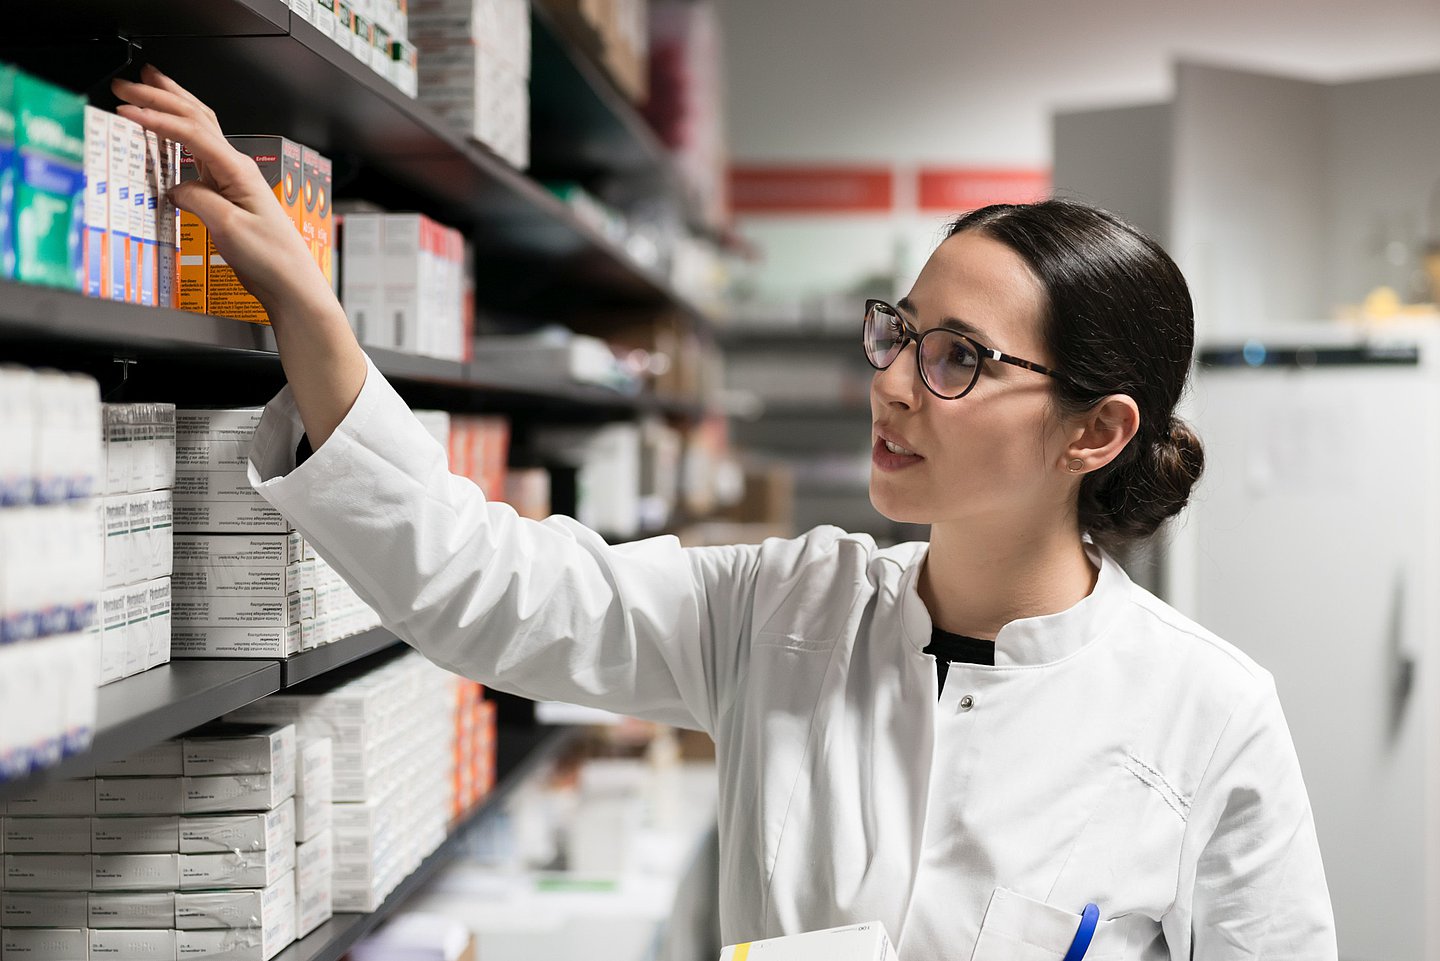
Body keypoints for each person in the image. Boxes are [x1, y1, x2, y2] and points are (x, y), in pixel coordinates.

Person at [115, 66, 1336, 960]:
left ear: (1095, 430)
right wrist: (309, 308)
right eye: (901, 333)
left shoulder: (1210, 714)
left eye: (959, 358)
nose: (895, 383)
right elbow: (482, 584)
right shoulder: (785, 609)